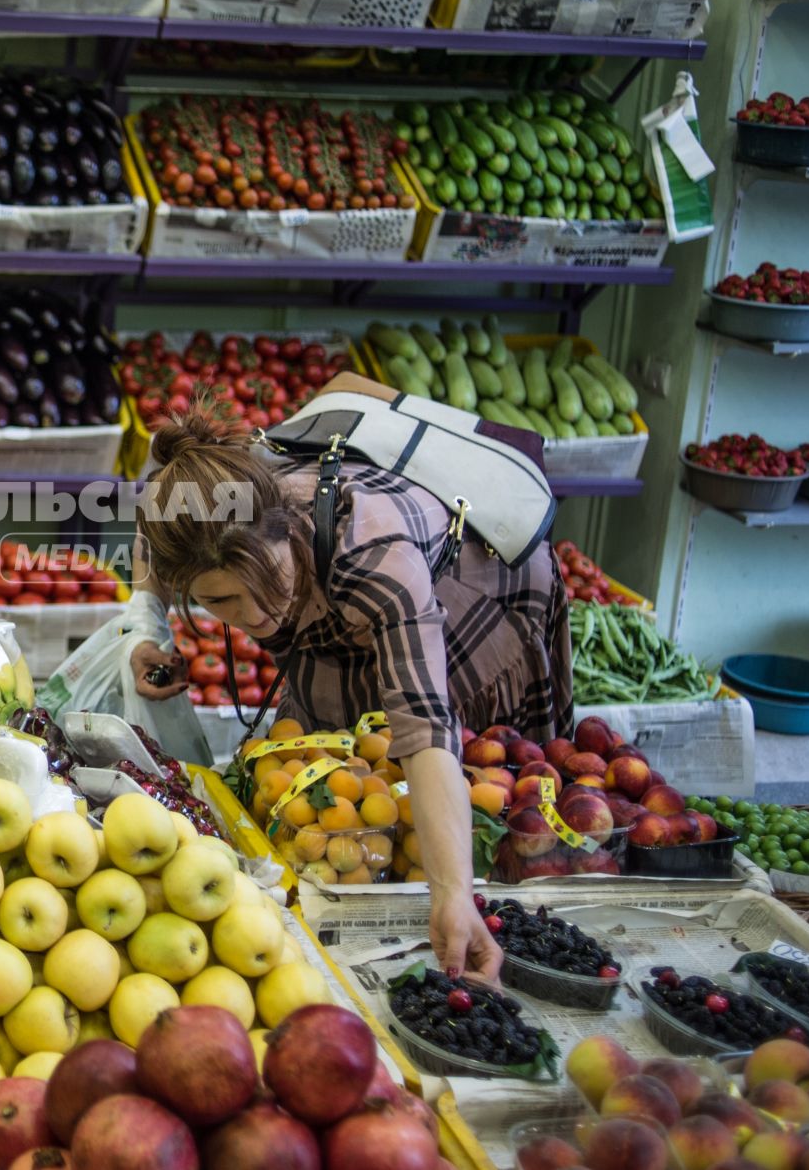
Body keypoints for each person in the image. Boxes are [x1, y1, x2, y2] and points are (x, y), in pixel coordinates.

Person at [127, 404, 574, 982]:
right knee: (334, 779)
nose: (260, 617)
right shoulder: (204, 516)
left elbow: (426, 727)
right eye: (222, 602)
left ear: (288, 528)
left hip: (475, 593)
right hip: (332, 592)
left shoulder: (374, 556)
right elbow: (148, 535)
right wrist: (145, 628)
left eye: (267, 583)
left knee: (488, 794)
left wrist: (453, 891)